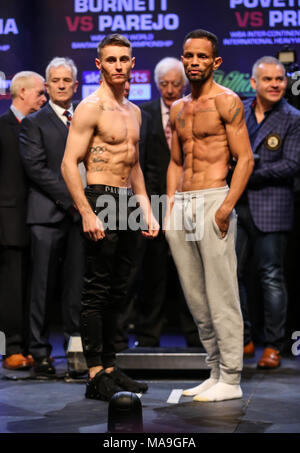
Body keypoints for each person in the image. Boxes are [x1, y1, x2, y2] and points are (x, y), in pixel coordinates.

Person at [61, 34, 159, 401]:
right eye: (111, 59)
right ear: (98, 64)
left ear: (133, 63)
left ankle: (111, 366)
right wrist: (86, 211)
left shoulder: (134, 112)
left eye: (124, 59)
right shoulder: (91, 108)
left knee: (121, 290)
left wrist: (146, 208)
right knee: (97, 290)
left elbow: (133, 167)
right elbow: (69, 163)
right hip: (100, 198)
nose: (118, 65)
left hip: (127, 202)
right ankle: (95, 373)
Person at [164, 29, 254, 402]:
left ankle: (231, 379)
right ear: (183, 59)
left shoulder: (227, 101)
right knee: (196, 297)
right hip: (182, 205)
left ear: (215, 62)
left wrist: (226, 206)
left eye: (202, 56)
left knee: (222, 294)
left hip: (214, 199)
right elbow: (174, 162)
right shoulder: (178, 108)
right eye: (189, 56)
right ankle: (214, 369)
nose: (194, 62)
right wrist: (169, 207)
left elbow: (245, 158)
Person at [19, 57, 85, 378]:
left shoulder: (84, 116)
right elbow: (36, 169)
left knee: (76, 290)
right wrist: (73, 198)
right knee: (42, 289)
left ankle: (76, 354)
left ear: (76, 85)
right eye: (55, 81)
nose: (61, 85)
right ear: (46, 85)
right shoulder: (34, 122)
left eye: (66, 80)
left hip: (80, 218)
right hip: (48, 215)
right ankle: (40, 353)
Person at [236, 56, 300, 368]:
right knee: (230, 276)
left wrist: (247, 170)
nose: (275, 84)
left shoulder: (293, 117)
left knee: (271, 276)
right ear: (253, 83)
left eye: (280, 79)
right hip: (235, 205)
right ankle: (244, 338)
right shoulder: (239, 110)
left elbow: (291, 164)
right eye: (268, 79)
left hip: (272, 206)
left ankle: (273, 346)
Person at [135, 57, 201, 348]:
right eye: (165, 84)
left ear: (184, 83)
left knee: (190, 271)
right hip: (153, 204)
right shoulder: (143, 113)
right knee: (152, 274)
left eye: (176, 84)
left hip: (190, 201)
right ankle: (148, 334)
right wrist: (148, 208)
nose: (171, 89)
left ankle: (195, 333)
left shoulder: (195, 109)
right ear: (156, 83)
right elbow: (140, 164)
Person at [0, 71, 46, 370]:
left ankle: (31, 347)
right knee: (10, 288)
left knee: (33, 288)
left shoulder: (39, 125)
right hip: (8, 220)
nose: (44, 98)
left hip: (38, 218)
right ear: (22, 92)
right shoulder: (1, 126)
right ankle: (9, 349)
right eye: (40, 92)